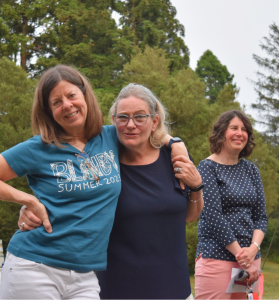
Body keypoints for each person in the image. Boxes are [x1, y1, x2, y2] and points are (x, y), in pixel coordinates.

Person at [0, 66, 187, 300]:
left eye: (71, 96)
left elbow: (145, 128)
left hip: (85, 275)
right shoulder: (38, 148)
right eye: (56, 102)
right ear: (48, 111)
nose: (67, 105)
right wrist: (27, 200)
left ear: (84, 96)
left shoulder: (109, 137)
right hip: (35, 266)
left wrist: (176, 143)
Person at [19, 83, 204, 299]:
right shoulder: (104, 161)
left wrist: (197, 186)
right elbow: (70, 195)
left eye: (140, 117)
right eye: (123, 117)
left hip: (174, 286)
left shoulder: (174, 157)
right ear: (114, 121)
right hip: (117, 286)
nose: (130, 125)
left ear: (154, 121)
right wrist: (32, 205)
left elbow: (190, 216)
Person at [194, 110, 268, 300]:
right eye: (233, 128)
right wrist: (242, 257)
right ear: (221, 133)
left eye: (244, 130)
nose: (239, 133)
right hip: (217, 259)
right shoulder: (207, 167)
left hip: (251, 261)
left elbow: (260, 217)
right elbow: (213, 216)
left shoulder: (251, 169)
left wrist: (253, 249)